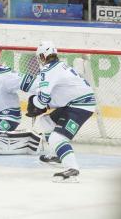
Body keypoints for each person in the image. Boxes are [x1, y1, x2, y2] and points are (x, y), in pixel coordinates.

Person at [26, 41, 95, 182]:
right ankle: (56, 154)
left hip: (80, 105)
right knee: (45, 121)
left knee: (57, 138)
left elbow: (43, 99)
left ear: (42, 56)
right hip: (75, 103)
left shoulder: (48, 70)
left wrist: (34, 103)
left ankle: (72, 169)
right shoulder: (59, 66)